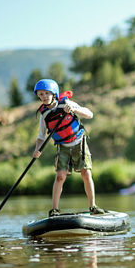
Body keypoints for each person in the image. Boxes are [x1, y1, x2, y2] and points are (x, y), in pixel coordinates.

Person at [32, 79, 105, 217]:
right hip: (62, 146)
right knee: (60, 177)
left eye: (47, 93)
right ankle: (54, 210)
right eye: (41, 94)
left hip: (79, 142)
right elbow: (41, 137)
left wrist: (74, 109)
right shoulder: (44, 115)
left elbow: (89, 114)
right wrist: (37, 150)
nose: (44, 97)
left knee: (86, 173)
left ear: (54, 94)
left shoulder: (67, 103)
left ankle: (93, 206)